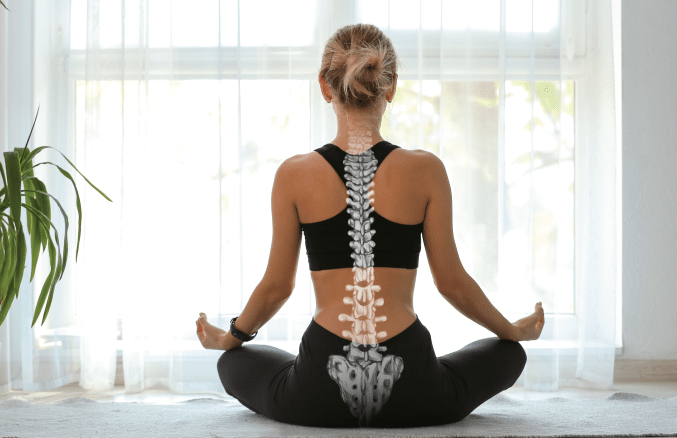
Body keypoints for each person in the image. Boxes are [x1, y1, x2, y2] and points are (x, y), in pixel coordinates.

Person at [195, 23, 545, 428]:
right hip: (414, 385)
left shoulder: (294, 174)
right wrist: (509, 330)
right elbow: (451, 282)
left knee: (233, 363)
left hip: (317, 390)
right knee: (508, 354)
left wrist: (231, 337)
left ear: (325, 88)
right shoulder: (426, 169)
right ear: (391, 87)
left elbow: (278, 287)